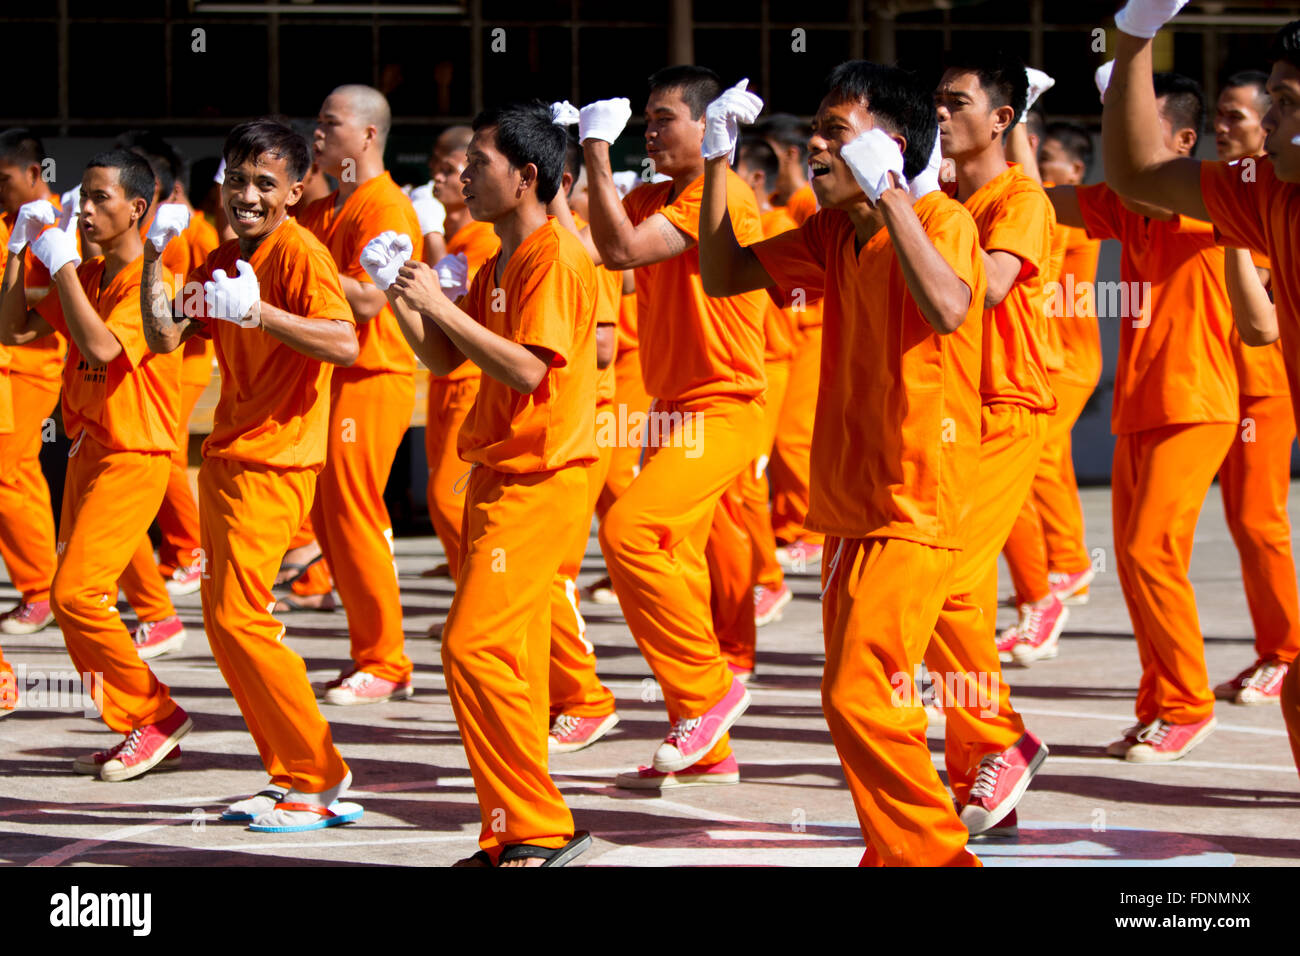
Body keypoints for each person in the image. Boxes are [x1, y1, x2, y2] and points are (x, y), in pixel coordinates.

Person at [699, 60, 986, 864]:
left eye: (835, 131)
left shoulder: (939, 218)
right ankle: (897, 851)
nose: (817, 147)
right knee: (852, 699)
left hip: (916, 501)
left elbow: (952, 307)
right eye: (816, 131)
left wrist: (894, 192)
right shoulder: (832, 233)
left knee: (865, 692)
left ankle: (937, 856)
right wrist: (718, 160)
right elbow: (725, 274)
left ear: (890, 147)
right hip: (848, 506)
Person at [376, 100, 597, 866]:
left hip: (541, 479)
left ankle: (534, 825)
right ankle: (517, 830)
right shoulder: (501, 257)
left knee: (470, 647)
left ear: (527, 177)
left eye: (479, 162)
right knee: (512, 656)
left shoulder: (555, 257)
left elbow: (531, 368)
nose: (464, 173)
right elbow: (446, 359)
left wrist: (439, 302)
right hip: (501, 473)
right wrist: (406, 302)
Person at [140, 118, 362, 831]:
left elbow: (344, 341)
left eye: (265, 184)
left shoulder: (299, 252)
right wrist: (151, 259)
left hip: (277, 459)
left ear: (295, 192)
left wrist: (260, 312)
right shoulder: (222, 255)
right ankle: (290, 770)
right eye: (237, 180)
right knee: (225, 625)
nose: (247, 194)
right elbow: (165, 336)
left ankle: (320, 773)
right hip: (232, 456)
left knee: (243, 619)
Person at [1098, 2, 1300, 767]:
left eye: (1282, 108)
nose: (1254, 126)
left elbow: (1260, 329)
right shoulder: (1247, 192)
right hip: (1169, 398)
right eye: (1267, 105)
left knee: (1251, 526)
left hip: (1213, 395)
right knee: (1148, 551)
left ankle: (1251, 662)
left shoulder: (1225, 206)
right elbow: (1124, 176)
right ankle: (1179, 694)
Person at [575, 66, 768, 788]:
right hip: (671, 408)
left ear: (705, 125)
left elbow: (621, 250)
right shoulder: (651, 193)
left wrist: (593, 152)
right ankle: (708, 742)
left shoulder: (724, 195)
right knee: (669, 564)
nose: (650, 134)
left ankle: (711, 689)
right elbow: (593, 247)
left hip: (724, 405)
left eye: (664, 120)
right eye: (646, 123)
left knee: (627, 532)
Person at [0, 149, 190, 780]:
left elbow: (103, 346)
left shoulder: (147, 280)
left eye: (100, 197)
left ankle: (154, 714)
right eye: (82, 195)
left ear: (137, 208)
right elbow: (13, 328)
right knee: (70, 595)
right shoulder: (95, 274)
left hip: (133, 452)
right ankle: (140, 718)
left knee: (78, 594)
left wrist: (61, 271)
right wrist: (17, 255)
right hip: (90, 450)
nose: (85, 208)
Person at [294, 85, 423, 705]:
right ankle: (370, 654)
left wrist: (309, 271)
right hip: (332, 375)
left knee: (353, 515)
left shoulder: (385, 207)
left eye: (330, 123)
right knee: (329, 519)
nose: (317, 135)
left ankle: (386, 660)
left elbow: (371, 299)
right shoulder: (328, 209)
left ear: (368, 136)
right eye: (317, 124)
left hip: (373, 375)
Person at [1210, 71, 1298, 706]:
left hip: (1262, 385)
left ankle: (1285, 651)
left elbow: (1260, 320)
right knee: (1242, 522)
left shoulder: (1271, 190)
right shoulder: (1227, 189)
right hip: (1218, 386)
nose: (1225, 127)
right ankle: (1275, 648)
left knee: (1256, 518)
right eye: (1218, 116)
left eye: (1236, 117)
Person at [1003, 121, 1102, 613]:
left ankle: (1066, 564)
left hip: (1065, 362)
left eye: (1049, 161)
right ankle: (1070, 564)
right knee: (1051, 459)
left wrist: (1019, 122)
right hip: (1050, 359)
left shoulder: (1068, 213)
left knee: (1038, 458)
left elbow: (1030, 197)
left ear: (1077, 170)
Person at [545, 128, 620, 754]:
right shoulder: (529, 245)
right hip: (541, 428)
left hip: (583, 419)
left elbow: (601, 343)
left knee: (553, 569)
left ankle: (584, 696)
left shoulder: (577, 252)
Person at [422, 125, 499, 590]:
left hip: (470, 379)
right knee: (446, 495)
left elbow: (451, 307)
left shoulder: (483, 237)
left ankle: (478, 592)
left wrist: (430, 231)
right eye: (445, 167)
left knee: (447, 496)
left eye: (453, 169)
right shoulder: (461, 235)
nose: (442, 178)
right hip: (446, 376)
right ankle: (466, 590)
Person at [0, 129, 64, 636]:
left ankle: (41, 589)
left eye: (4, 179)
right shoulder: (7, 221)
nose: (0, 190)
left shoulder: (56, 220)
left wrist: (12, 290)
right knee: (14, 476)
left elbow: (72, 284)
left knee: (11, 475)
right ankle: (39, 585)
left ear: (33, 174)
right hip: (7, 364)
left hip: (32, 365)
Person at [756, 114, 823, 569]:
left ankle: (808, 530)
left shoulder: (805, 201)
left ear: (790, 154)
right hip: (786, 332)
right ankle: (787, 526)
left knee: (793, 436)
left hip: (814, 330)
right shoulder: (777, 203)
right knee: (781, 440)